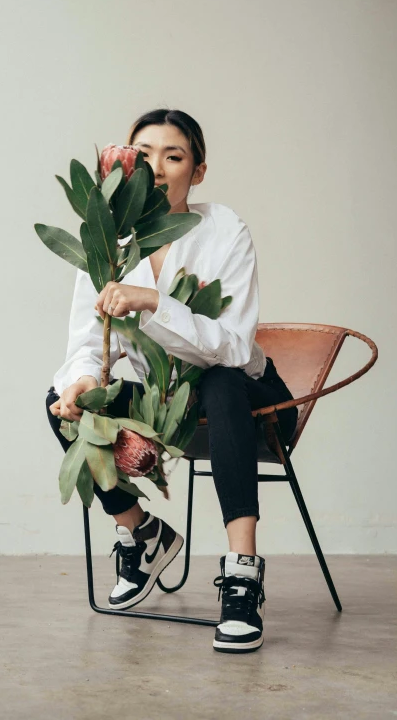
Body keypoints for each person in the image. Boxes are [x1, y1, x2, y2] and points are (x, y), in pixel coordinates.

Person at [46, 108, 298, 654]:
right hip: (162, 406)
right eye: (144, 155)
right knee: (60, 400)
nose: (156, 168)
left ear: (198, 171)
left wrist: (155, 302)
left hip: (250, 404)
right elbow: (91, 343)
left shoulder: (224, 228)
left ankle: (242, 573)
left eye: (174, 156)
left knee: (222, 382)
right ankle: (143, 533)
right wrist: (82, 383)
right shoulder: (108, 243)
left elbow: (232, 345)